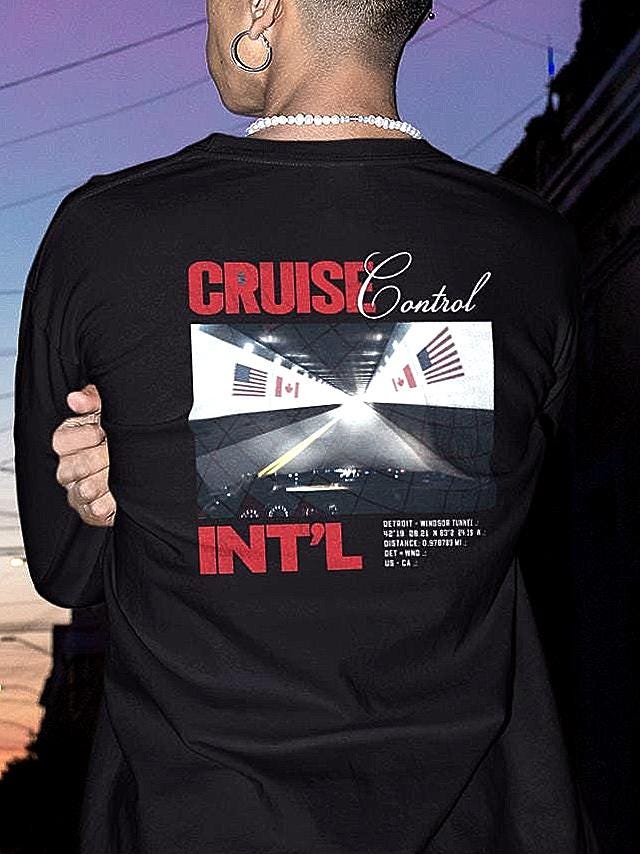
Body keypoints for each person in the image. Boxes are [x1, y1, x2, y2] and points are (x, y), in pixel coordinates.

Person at [13, 0, 599, 851]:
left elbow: (67, 574)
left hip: (196, 824)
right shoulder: (535, 245)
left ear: (261, 8)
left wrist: (107, 493)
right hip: (483, 820)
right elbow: (528, 518)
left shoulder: (104, 234)